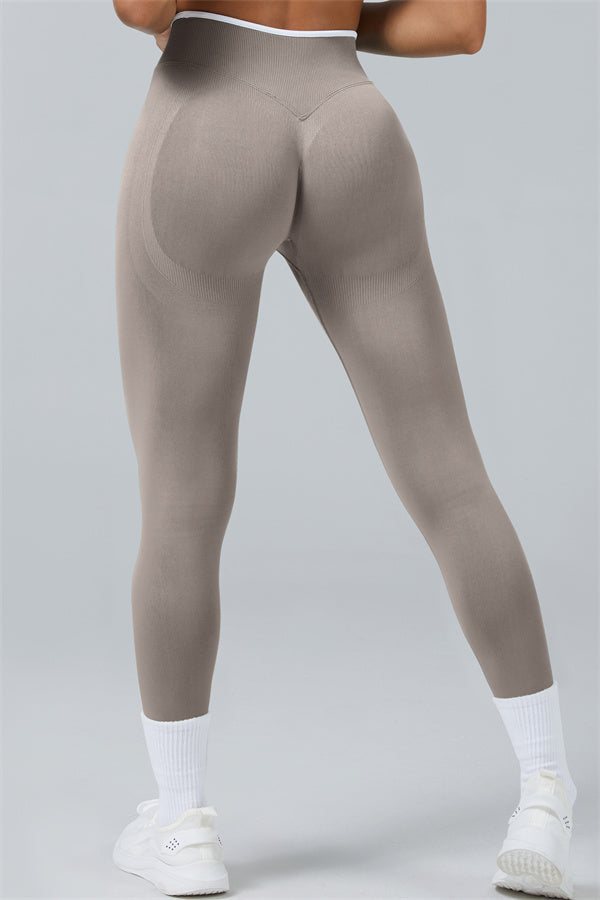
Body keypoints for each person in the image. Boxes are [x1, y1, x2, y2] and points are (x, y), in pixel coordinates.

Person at [110, 1, 577, 897]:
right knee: (451, 477)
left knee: (182, 500)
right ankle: (545, 793)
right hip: (352, 119)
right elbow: (459, 27)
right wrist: (310, 37)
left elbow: (142, 7)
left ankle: (181, 824)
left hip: (208, 122)